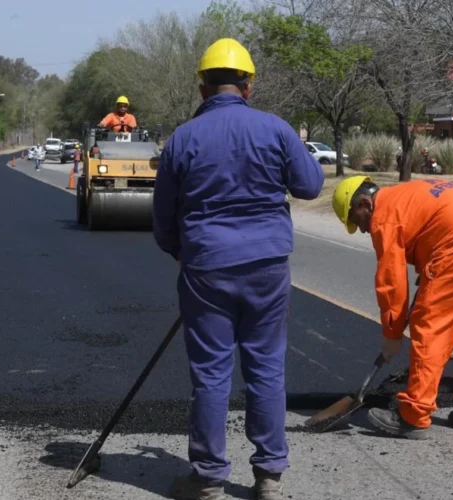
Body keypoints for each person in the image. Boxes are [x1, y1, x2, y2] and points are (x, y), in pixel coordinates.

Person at [152, 38, 324, 500]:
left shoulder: (183, 138)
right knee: (266, 367)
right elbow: (310, 186)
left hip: (207, 266)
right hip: (267, 266)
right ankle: (269, 475)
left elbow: (163, 218)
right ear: (248, 86)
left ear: (202, 88)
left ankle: (208, 478)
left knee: (211, 373)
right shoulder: (276, 129)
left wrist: (184, 254)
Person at [331, 175, 453, 439]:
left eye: (356, 220)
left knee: (431, 329)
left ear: (364, 203)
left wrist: (392, 334)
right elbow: (436, 224)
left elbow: (391, 282)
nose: (362, 229)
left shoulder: (384, 216)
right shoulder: (406, 193)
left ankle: (413, 415)